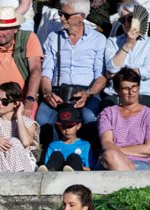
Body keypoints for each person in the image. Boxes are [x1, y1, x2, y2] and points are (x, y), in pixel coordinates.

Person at [37, 0, 107, 129]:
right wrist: (47, 93)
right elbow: (46, 71)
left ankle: (86, 149)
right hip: (58, 91)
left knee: (89, 117)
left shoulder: (98, 39)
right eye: (60, 13)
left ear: (82, 16)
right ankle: (52, 148)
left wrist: (88, 94)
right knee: (43, 119)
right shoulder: (53, 37)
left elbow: (101, 76)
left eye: (66, 15)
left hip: (87, 91)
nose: (61, 18)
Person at [98, 68, 150, 170]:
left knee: (110, 155)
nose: (131, 92)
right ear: (117, 90)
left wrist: (117, 151)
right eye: (126, 88)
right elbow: (107, 143)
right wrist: (120, 158)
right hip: (111, 160)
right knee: (109, 156)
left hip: (140, 163)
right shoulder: (108, 113)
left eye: (134, 87)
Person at [101, 3, 150, 108]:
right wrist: (128, 44)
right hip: (116, 93)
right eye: (122, 20)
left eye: (130, 18)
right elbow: (111, 68)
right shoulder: (112, 41)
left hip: (143, 92)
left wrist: (119, 74)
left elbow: (148, 71)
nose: (126, 23)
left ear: (140, 19)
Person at [0, 80, 39, 172]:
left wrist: (19, 116)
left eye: (5, 101)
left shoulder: (28, 123)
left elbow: (26, 142)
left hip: (22, 168)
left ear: (16, 104)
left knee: (13, 141)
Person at [39, 103, 90, 171]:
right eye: (63, 126)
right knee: (57, 155)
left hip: (77, 177)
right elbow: (46, 164)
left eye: (70, 126)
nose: (67, 129)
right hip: (55, 176)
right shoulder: (53, 146)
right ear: (59, 127)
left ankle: (71, 170)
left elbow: (88, 168)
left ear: (78, 126)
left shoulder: (85, 145)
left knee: (74, 157)